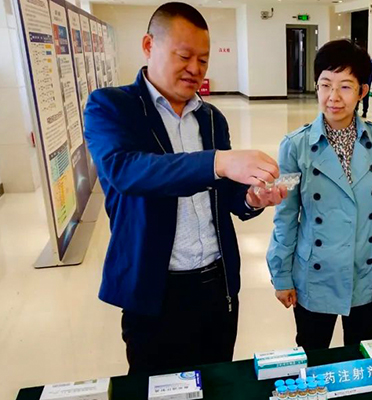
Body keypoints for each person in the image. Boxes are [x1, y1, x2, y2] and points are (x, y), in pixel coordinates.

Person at [83, 2, 286, 374]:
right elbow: (126, 171)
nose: (195, 68)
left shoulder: (211, 118)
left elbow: (226, 195)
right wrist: (218, 162)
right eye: (184, 56)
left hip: (217, 286)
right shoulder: (112, 107)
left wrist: (252, 198)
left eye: (203, 60)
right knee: (156, 386)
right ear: (149, 45)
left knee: (218, 380)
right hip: (156, 290)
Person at [266, 39, 372, 350]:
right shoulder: (294, 146)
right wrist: (281, 274)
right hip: (314, 275)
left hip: (367, 273)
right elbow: (286, 216)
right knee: (312, 351)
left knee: (362, 352)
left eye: (345, 87)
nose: (333, 97)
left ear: (362, 91)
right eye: (325, 85)